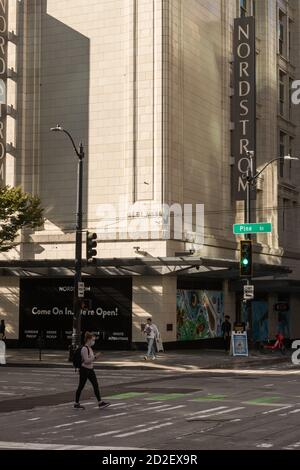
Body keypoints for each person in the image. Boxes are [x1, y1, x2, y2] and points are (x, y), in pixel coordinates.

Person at [74, 332, 110, 410]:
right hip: (84, 370)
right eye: (92, 339)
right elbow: (86, 360)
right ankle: (76, 403)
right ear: (88, 340)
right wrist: (95, 357)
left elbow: (90, 360)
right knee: (81, 386)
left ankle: (100, 402)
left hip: (90, 369)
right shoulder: (84, 348)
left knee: (95, 385)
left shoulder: (90, 348)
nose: (93, 341)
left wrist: (95, 357)